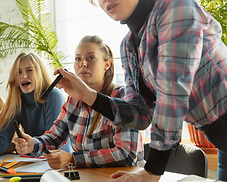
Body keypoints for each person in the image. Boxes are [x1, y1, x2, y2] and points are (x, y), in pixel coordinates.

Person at [54, 0, 227, 182]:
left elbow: (172, 92)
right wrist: (87, 95)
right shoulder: (128, 45)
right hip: (219, 137)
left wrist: (151, 172)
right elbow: (141, 115)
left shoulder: (175, 5)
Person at [14, 35, 143, 169]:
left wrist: (74, 159)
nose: (83, 64)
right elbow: (54, 137)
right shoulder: (73, 100)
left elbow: (127, 154)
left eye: (91, 58)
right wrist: (32, 144)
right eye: (78, 59)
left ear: (107, 64)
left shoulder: (122, 96)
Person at [0, 51, 70, 157]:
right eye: (19, 72)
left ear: (39, 72)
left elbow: (53, 142)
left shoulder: (54, 96)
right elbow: (2, 141)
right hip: (35, 163)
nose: (23, 76)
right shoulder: (17, 100)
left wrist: (30, 147)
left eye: (29, 70)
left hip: (60, 163)